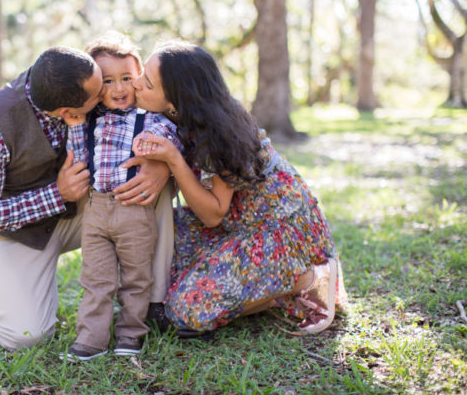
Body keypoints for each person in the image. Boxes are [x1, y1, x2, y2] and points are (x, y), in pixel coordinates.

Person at [0, 46, 175, 351]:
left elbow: (151, 89)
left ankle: (155, 304)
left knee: (147, 186)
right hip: (18, 233)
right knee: (25, 337)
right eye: (99, 94)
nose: (109, 94)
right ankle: (3, 282)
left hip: (90, 206)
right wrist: (56, 195)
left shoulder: (74, 73)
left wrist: (163, 164)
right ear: (69, 113)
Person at [125, 40, 347, 335]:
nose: (136, 84)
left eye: (148, 83)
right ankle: (263, 284)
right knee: (149, 239)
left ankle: (305, 279)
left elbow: (213, 214)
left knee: (184, 310)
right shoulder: (177, 115)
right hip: (235, 223)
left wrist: (174, 160)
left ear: (176, 100)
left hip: (278, 230)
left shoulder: (219, 132)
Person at [60, 33, 181, 361]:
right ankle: (92, 339)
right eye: (108, 81)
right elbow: (79, 158)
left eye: (127, 78)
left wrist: (155, 151)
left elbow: (172, 140)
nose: (118, 89)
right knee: (95, 279)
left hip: (134, 211)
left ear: (140, 76)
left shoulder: (151, 118)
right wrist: (74, 127)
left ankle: (130, 334)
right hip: (96, 210)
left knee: (136, 277)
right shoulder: (90, 120)